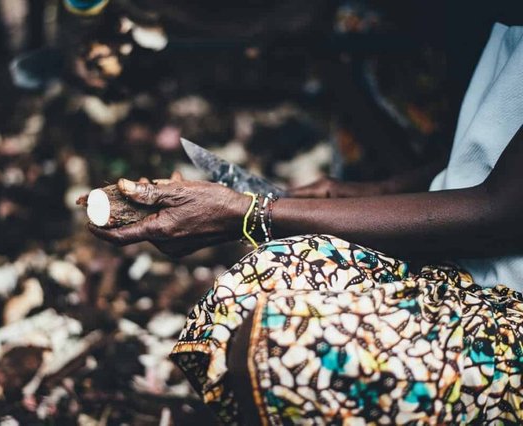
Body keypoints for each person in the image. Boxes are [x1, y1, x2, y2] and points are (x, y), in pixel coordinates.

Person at [89, 23, 523, 424]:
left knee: (276, 350)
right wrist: (376, 189)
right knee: (245, 294)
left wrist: (249, 213)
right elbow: (483, 159)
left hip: (509, 302)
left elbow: (499, 212)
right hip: (457, 259)